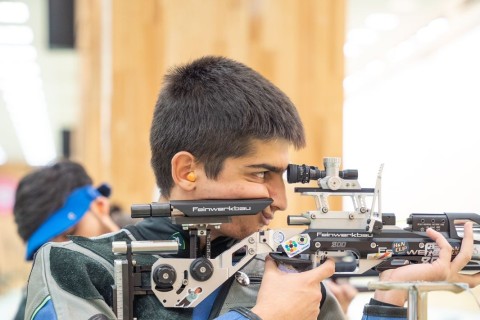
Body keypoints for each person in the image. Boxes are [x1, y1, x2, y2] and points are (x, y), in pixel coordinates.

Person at [24, 56, 479, 320]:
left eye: (283, 176)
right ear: (187, 172)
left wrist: (390, 296)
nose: (279, 201)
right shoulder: (75, 267)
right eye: (261, 174)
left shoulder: (287, 282)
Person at [13, 160, 120, 320]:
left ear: (99, 206)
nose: (60, 254)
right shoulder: (35, 306)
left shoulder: (153, 244)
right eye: (45, 250)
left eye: (71, 234)